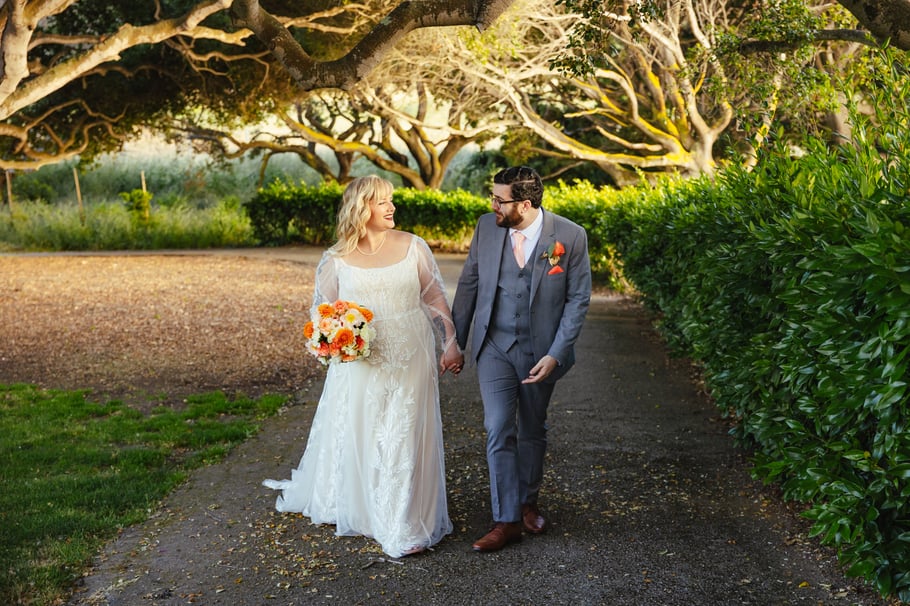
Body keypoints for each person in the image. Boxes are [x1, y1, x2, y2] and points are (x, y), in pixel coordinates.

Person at [263, 175, 464, 558]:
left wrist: (450, 341)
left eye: (391, 200)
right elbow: (323, 316)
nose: (391, 207)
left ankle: (404, 522)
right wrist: (336, 341)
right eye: (382, 202)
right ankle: (369, 508)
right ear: (361, 209)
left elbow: (435, 296)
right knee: (368, 431)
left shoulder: (413, 247)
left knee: (404, 432)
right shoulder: (336, 260)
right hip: (363, 361)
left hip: (411, 353)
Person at [451, 165, 591, 552]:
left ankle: (528, 501)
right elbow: (469, 283)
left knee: (532, 429)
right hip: (494, 345)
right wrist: (455, 341)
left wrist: (556, 353)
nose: (492, 204)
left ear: (525, 204)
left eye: (499, 199)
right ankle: (506, 519)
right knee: (498, 427)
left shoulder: (569, 236)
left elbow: (578, 300)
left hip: (540, 351)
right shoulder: (486, 227)